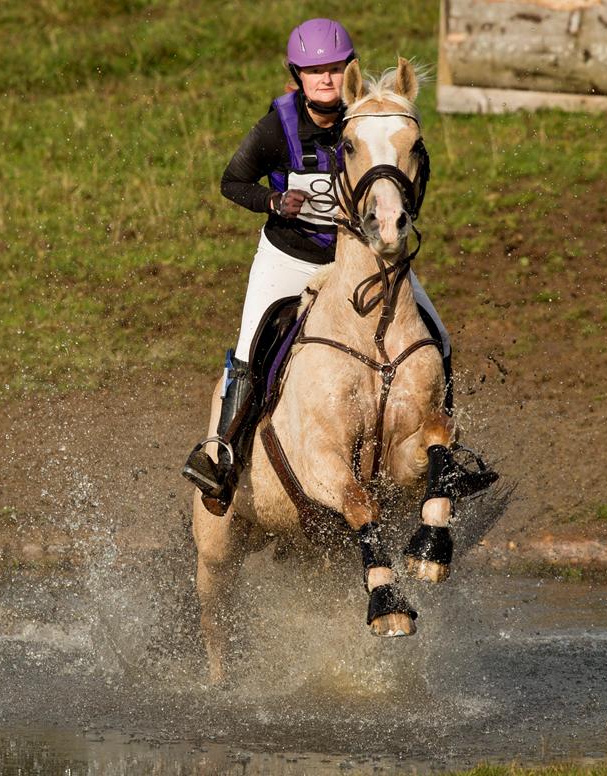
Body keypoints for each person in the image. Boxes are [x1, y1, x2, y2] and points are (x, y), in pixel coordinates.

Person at [182, 18, 455, 510]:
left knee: (438, 337)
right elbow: (231, 181)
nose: (325, 79)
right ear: (298, 76)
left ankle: (448, 461)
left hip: (365, 259)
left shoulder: (366, 120)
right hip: (290, 258)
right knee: (249, 349)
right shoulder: (278, 126)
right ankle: (224, 456)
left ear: (348, 73)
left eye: (333, 69)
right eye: (313, 71)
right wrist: (272, 201)